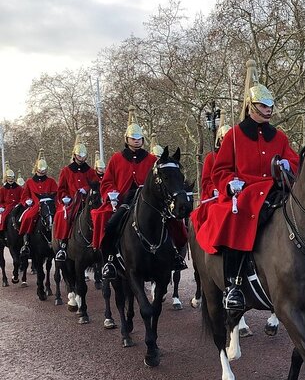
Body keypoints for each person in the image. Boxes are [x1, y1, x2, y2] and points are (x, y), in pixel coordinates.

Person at [196, 59, 299, 310]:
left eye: (270, 105)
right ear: (251, 107)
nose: (268, 109)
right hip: (245, 192)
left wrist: (286, 166)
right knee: (237, 219)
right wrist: (229, 183)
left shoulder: (280, 136)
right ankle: (233, 284)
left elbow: (293, 160)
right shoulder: (234, 136)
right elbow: (220, 170)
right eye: (263, 105)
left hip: (276, 188)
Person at [91, 106, 187, 279]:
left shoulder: (151, 159)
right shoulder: (116, 159)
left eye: (139, 138)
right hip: (125, 199)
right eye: (133, 138)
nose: (137, 141)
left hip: (149, 199)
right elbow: (107, 182)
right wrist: (111, 194)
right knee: (109, 223)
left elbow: (160, 180)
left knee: (174, 221)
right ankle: (110, 261)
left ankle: (175, 254)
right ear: (127, 139)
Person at [53, 133, 98, 261]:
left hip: (88, 200)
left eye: (83, 156)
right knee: (63, 216)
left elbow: (96, 184)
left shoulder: (90, 171)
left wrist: (87, 189)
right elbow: (61, 188)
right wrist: (65, 197)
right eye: (79, 155)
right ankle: (63, 243)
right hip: (72, 202)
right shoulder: (66, 171)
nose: (81, 158)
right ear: (74, 155)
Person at [190, 123, 230, 233]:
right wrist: (214, 190)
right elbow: (206, 181)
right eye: (225, 139)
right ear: (220, 140)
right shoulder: (211, 158)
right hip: (216, 196)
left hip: (236, 194)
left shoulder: (239, 157)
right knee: (213, 212)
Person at [18, 149, 58, 257]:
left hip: (49, 204)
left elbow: (56, 193)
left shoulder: (51, 181)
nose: (42, 171)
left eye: (44, 169)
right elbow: (25, 195)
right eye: (41, 169)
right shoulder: (30, 182)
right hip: (36, 205)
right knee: (28, 217)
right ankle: (26, 242)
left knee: (59, 217)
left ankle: (61, 242)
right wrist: (27, 200)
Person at [0, 165, 23, 237]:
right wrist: (1, 207)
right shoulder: (2, 189)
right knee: (4, 217)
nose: (11, 180)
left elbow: (23, 197)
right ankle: (2, 232)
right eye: (9, 178)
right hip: (7, 207)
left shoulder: (19, 188)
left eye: (12, 178)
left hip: (18, 206)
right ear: (6, 178)